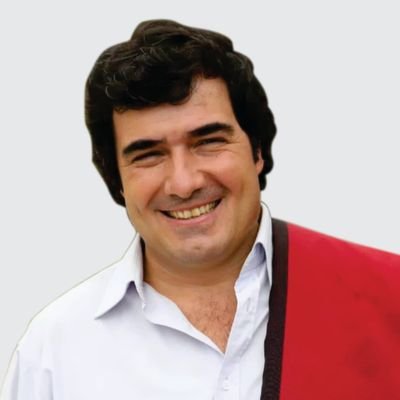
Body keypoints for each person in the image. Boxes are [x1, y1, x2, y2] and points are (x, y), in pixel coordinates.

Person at [1, 19, 399, 400]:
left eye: (208, 141)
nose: (184, 183)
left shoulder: (388, 299)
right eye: (148, 155)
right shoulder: (53, 351)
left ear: (257, 151)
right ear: (117, 179)